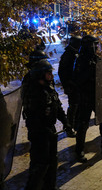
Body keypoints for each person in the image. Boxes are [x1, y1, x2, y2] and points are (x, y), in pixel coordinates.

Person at [23, 59, 72, 190]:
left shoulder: (49, 88)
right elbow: (33, 118)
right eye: (48, 73)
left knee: (52, 161)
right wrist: (44, 129)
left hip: (49, 130)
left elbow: (57, 106)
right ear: (40, 75)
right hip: (39, 133)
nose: (51, 76)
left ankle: (50, 186)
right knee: (40, 164)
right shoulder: (34, 93)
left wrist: (65, 122)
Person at [73, 35, 102, 163]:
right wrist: (90, 70)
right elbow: (78, 80)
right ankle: (79, 150)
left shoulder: (97, 59)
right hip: (86, 96)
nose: (97, 47)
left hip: (98, 95)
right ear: (88, 46)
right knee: (83, 124)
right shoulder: (80, 61)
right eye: (94, 44)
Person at [58, 36, 82, 134]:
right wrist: (67, 85)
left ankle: (74, 125)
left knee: (77, 105)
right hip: (72, 85)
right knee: (73, 106)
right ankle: (69, 127)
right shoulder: (68, 55)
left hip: (76, 85)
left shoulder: (75, 53)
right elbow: (62, 72)